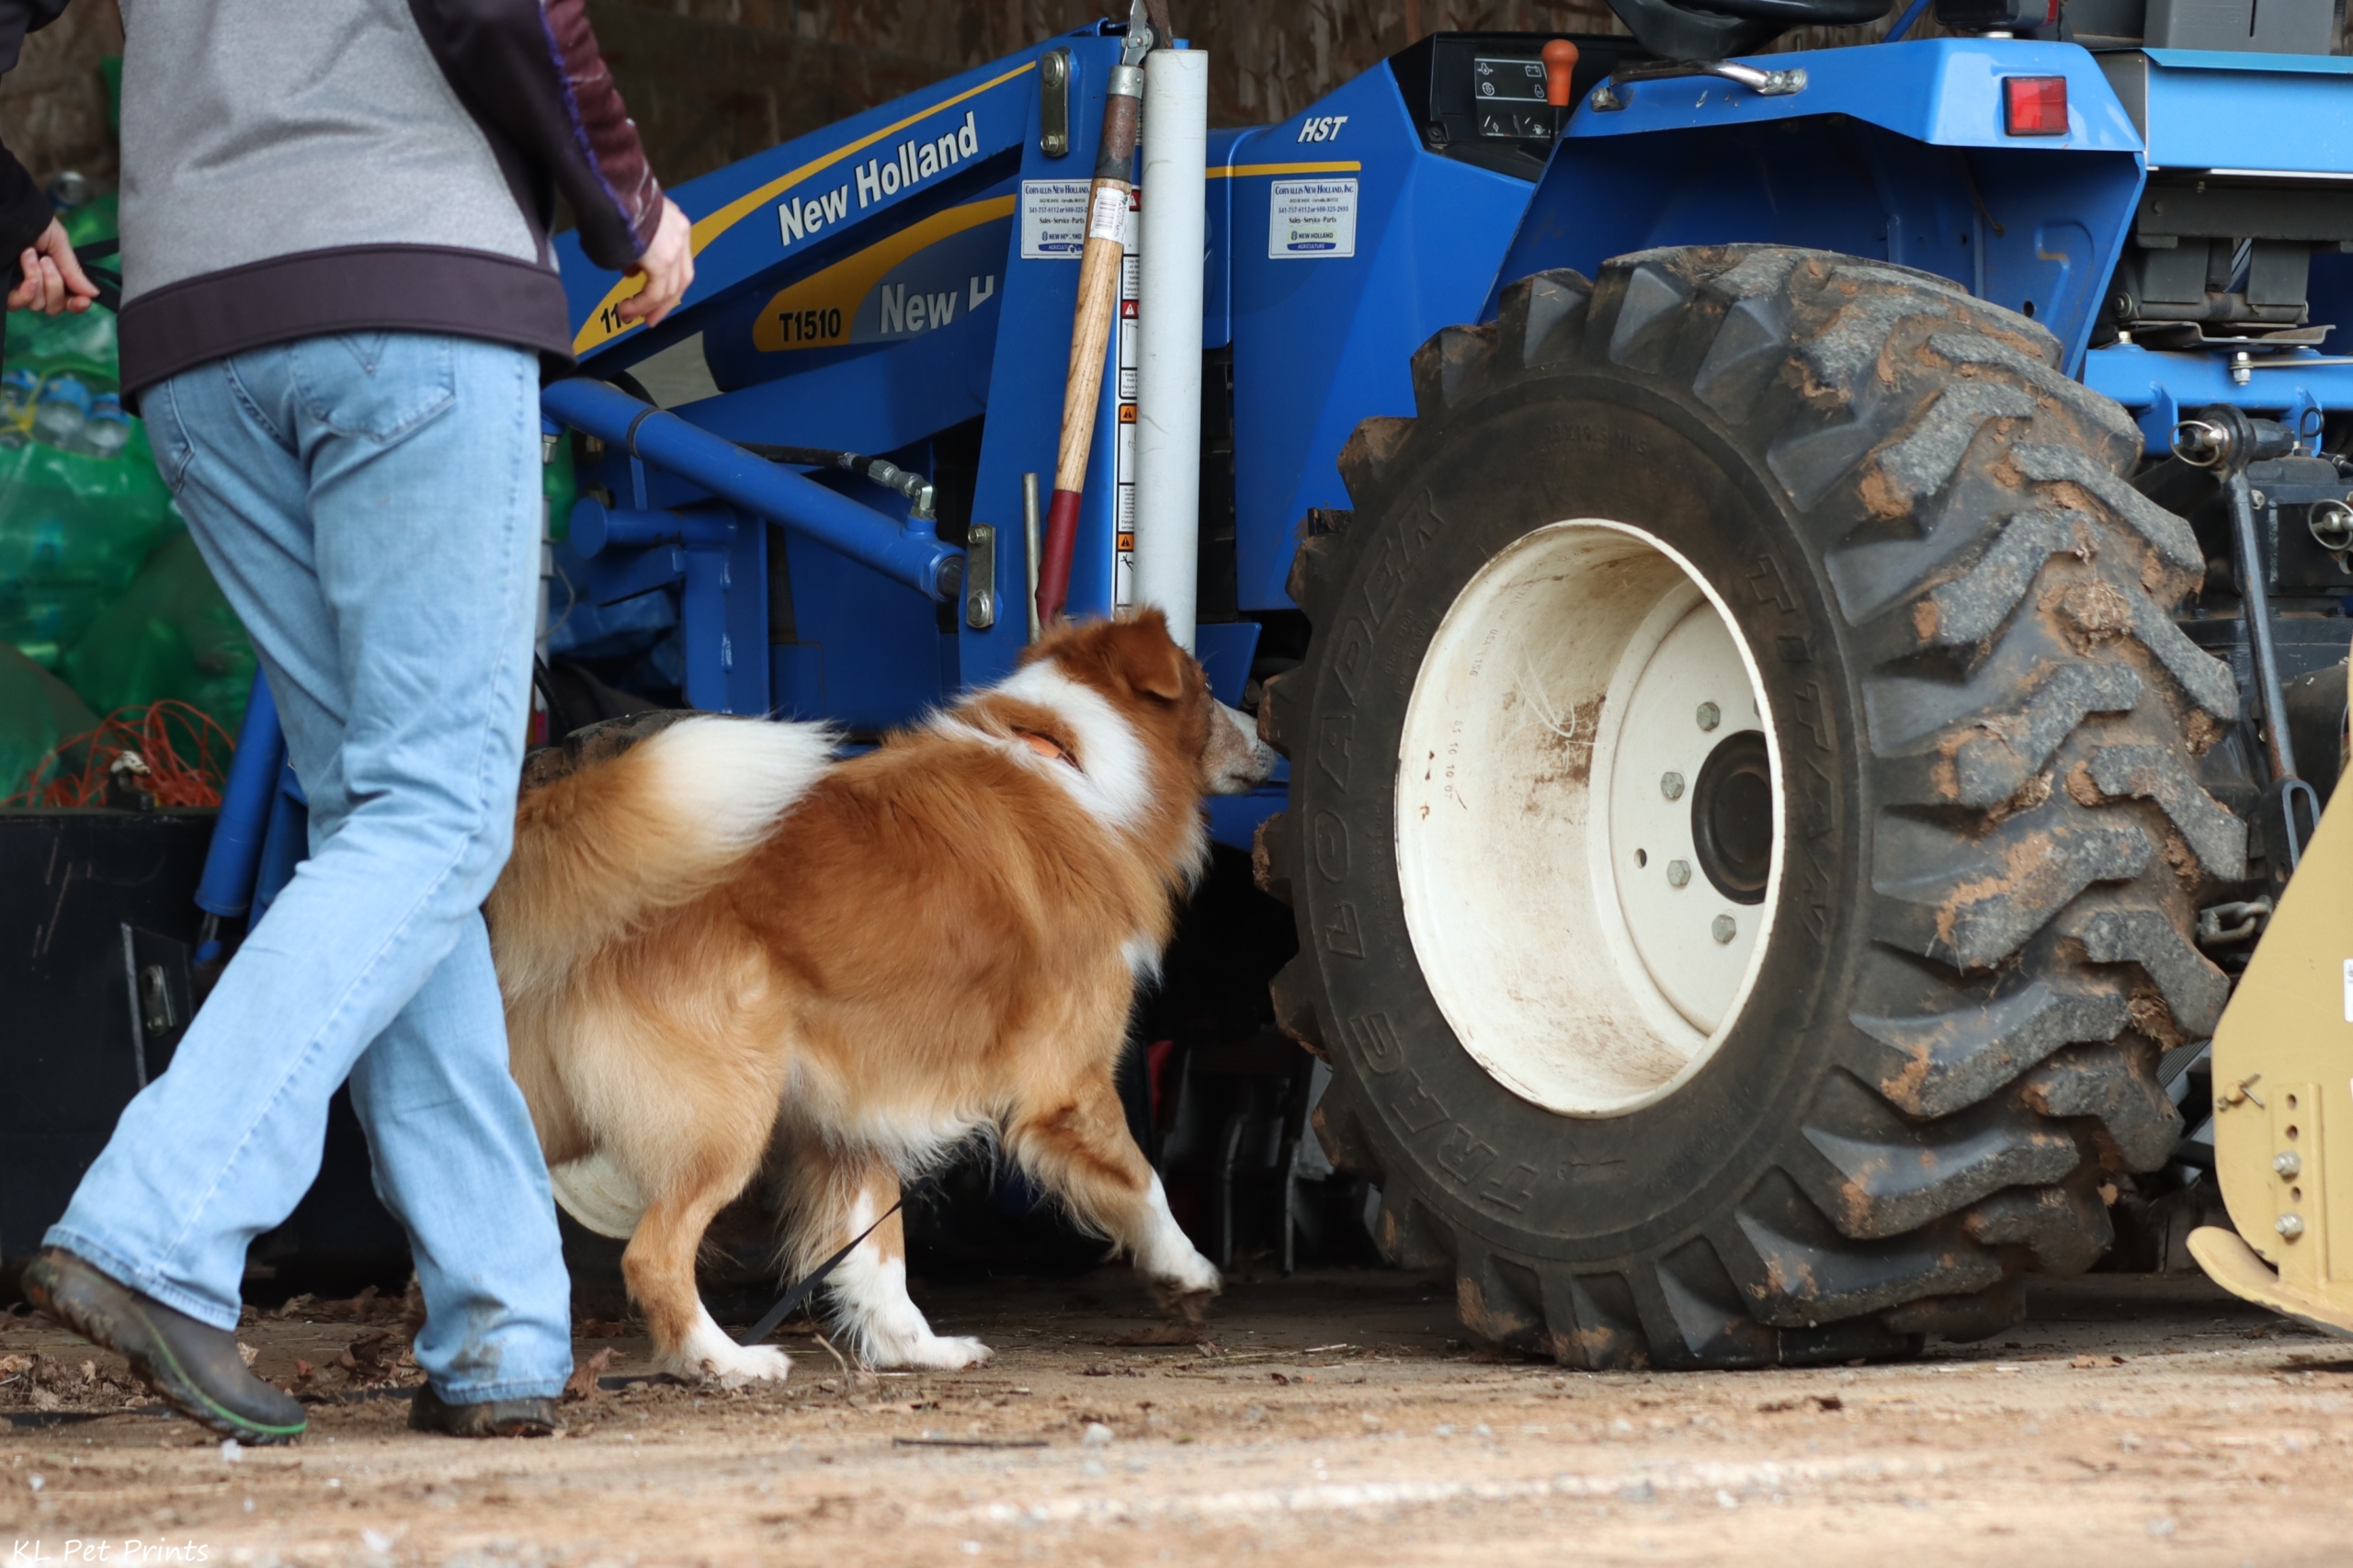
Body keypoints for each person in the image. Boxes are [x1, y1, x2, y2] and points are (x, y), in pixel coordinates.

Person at [7, 0, 693, 1443]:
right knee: (439, 810)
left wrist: (6, 201)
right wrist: (628, 203)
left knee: (383, 821)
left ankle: (501, 1323)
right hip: (405, 290)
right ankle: (156, 1222)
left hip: (198, 335)